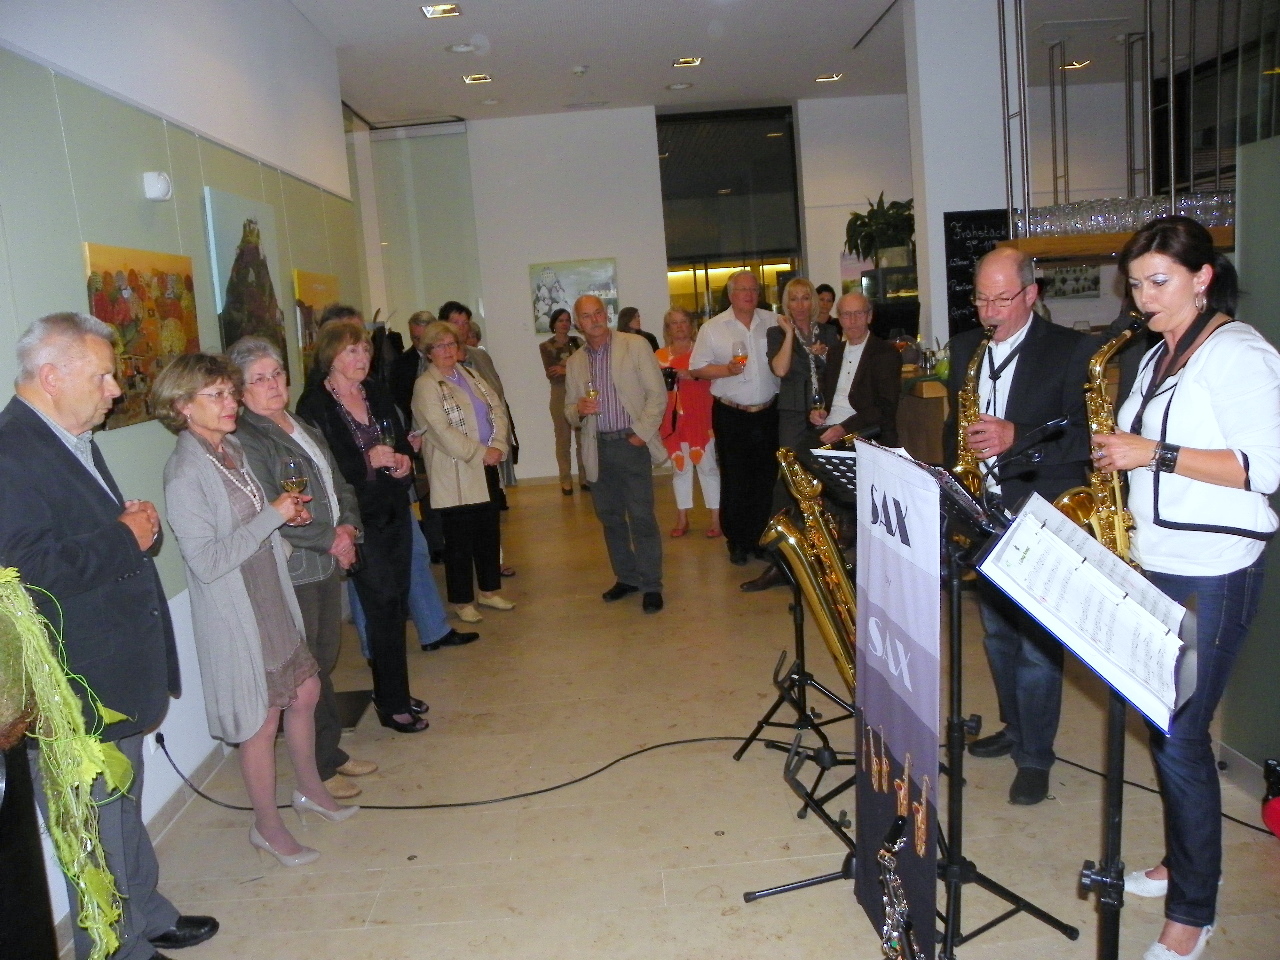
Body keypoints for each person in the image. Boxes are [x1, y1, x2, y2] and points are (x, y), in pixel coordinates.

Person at [1090, 216, 1280, 960]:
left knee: (1180, 732)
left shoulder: (1239, 353)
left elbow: (1264, 468)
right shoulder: (1154, 356)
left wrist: (1153, 452)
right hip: (1158, 558)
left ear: (1203, 278)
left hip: (1216, 565)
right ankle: (1182, 860)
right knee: (1162, 721)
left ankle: (1193, 910)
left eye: (1159, 281)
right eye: (1136, 284)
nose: (1144, 298)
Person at [0, 313, 217, 959]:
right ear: (51, 376)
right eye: (101, 376)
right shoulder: (10, 453)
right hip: (71, 683)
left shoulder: (69, 437)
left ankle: (145, 914)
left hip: (110, 670)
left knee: (120, 809)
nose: (116, 390)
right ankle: (119, 949)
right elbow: (22, 572)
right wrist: (123, 536)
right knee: (91, 834)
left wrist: (124, 528)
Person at [155, 353, 358, 870]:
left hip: (269, 590)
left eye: (230, 392)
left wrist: (289, 523)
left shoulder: (232, 449)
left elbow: (258, 524)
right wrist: (272, 517)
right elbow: (207, 563)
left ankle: (310, 789)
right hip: (237, 607)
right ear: (182, 406)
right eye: (217, 395)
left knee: (306, 690)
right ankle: (267, 827)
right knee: (261, 720)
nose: (231, 403)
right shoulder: (184, 473)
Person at [946, 246, 1093, 806]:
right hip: (985, 514)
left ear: (1031, 294)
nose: (989, 312)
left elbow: (1088, 440)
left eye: (1001, 299)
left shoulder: (1070, 350)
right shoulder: (968, 347)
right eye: (981, 299)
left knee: (1036, 648)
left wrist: (1017, 436)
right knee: (997, 636)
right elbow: (957, 424)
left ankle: (1036, 757)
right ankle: (1015, 726)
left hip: (1041, 516)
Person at [230, 337, 384, 801]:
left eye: (276, 374)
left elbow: (339, 483)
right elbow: (269, 509)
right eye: (259, 379)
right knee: (306, 671)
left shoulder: (302, 425)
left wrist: (349, 529)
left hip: (326, 560)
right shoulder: (248, 439)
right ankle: (319, 766)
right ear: (240, 389)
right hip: (294, 568)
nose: (273, 384)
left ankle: (329, 751)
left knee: (324, 660)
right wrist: (331, 539)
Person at [297, 321, 429, 733]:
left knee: (396, 603)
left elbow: (398, 439)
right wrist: (366, 462)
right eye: (352, 351)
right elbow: (324, 470)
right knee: (381, 603)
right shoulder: (314, 405)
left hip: (393, 510)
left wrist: (404, 460)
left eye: (366, 350)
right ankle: (392, 703)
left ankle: (392, 690)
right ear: (330, 356)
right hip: (357, 519)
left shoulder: (375, 390)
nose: (363, 358)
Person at [565, 295, 668, 613]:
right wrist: (578, 409)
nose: (594, 320)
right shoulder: (575, 361)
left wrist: (640, 434)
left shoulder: (634, 345)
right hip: (597, 447)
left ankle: (651, 584)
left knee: (641, 516)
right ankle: (627, 577)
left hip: (630, 443)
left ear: (606, 315)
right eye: (586, 316)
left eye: (598, 313)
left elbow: (657, 395)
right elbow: (568, 411)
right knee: (610, 517)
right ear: (578, 323)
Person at [411, 322, 515, 623]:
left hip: (486, 465)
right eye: (439, 345)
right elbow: (440, 431)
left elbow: (497, 410)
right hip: (455, 470)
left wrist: (498, 445)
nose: (447, 350)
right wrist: (481, 452)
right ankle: (461, 600)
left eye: (451, 344)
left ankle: (489, 591)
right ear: (428, 352)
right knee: (459, 540)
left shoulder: (471, 375)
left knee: (488, 532)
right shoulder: (426, 385)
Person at [741, 277, 839, 592]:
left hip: (824, 415)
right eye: (793, 299)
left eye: (805, 298)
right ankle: (781, 561)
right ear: (786, 304)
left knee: (822, 485)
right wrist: (789, 335)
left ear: (814, 302)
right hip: (793, 416)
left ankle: (821, 556)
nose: (800, 304)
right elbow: (781, 370)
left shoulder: (828, 333)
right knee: (790, 483)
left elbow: (838, 373)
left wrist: (825, 355)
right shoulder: (776, 333)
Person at [689, 270, 780, 567]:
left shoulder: (773, 321)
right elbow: (697, 368)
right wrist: (726, 370)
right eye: (742, 289)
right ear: (730, 295)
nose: (749, 294)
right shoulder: (713, 328)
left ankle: (759, 539)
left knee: (765, 478)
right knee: (736, 478)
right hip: (732, 413)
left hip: (768, 411)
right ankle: (737, 540)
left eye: (753, 289)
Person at [437, 301, 519, 512]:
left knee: (491, 510)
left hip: (489, 447)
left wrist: (499, 440)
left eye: (465, 323)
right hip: (459, 454)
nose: (461, 328)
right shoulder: (434, 367)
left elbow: (497, 397)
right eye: (455, 322)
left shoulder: (480, 356)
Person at [656, 308, 720, 538]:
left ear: (691, 325)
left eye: (683, 321)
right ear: (668, 328)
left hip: (701, 419)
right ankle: (682, 517)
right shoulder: (659, 357)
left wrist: (692, 374)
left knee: (708, 468)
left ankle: (716, 518)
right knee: (680, 469)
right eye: (674, 323)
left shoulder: (702, 352)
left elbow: (716, 377)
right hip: (674, 421)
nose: (680, 327)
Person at [811, 292, 903, 447]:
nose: (852, 321)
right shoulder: (834, 353)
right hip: (829, 428)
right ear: (840, 319)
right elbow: (827, 395)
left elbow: (885, 407)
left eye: (858, 313)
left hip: (864, 433)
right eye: (846, 314)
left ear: (869, 316)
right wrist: (820, 412)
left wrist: (844, 428)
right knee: (793, 453)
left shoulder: (885, 353)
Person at [539, 308, 584, 495]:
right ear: (554, 324)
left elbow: (586, 369)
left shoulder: (579, 342)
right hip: (560, 394)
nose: (564, 324)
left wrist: (565, 366)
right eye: (560, 320)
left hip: (579, 393)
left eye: (567, 320)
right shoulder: (546, 346)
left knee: (583, 439)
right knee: (563, 440)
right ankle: (566, 480)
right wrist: (573, 365)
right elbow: (553, 373)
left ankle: (585, 478)